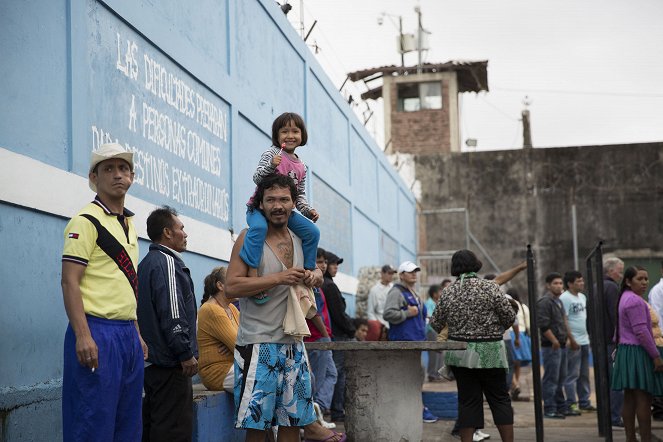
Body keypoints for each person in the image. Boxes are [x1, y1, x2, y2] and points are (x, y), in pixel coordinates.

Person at [225, 173, 325, 442]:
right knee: (257, 427)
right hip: (258, 345)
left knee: (293, 423)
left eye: (284, 199)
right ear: (260, 204)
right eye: (271, 200)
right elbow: (231, 287)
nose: (278, 205)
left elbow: (315, 271)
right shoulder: (248, 239)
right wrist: (279, 278)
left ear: (294, 204)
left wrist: (315, 275)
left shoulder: (301, 238)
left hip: (294, 344)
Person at [198, 266, 344, 442]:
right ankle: (309, 426)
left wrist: (236, 343)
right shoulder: (211, 309)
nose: (241, 282)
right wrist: (236, 343)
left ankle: (303, 427)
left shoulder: (232, 309)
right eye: (233, 279)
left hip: (235, 362)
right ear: (221, 285)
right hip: (217, 371)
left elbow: (241, 340)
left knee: (275, 382)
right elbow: (240, 343)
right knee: (272, 385)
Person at [61, 143, 147, 441]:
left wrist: (135, 331)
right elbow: (69, 282)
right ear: (93, 177)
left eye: (123, 168)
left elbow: (125, 283)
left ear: (132, 176)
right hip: (96, 330)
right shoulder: (85, 221)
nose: (117, 175)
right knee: (91, 423)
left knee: (128, 425)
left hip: (126, 334)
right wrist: (83, 334)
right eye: (108, 169)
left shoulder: (130, 224)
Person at [430, 250, 517, 442]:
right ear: (476, 264)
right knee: (500, 400)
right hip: (491, 353)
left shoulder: (449, 291)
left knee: (468, 402)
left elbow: (435, 323)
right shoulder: (490, 288)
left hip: (461, 354)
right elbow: (510, 317)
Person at [240, 112, 320, 303]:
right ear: (277, 135)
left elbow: (299, 195)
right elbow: (257, 178)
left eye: (295, 131)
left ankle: (307, 274)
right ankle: (253, 279)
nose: (290, 135)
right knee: (258, 229)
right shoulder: (272, 154)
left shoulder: (302, 166)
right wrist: (270, 166)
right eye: (284, 131)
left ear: (302, 136)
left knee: (312, 232)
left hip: (285, 213)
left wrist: (308, 211)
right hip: (259, 209)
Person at [137, 206, 198, 441]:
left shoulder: (147, 263)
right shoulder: (167, 263)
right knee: (173, 432)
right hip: (171, 366)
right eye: (181, 228)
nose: (185, 233)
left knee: (154, 429)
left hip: (153, 366)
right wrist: (184, 352)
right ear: (167, 233)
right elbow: (173, 313)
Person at [383, 261, 438, 424]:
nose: (414, 274)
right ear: (401, 275)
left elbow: (422, 319)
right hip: (403, 343)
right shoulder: (396, 292)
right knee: (407, 377)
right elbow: (388, 314)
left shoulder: (414, 292)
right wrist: (407, 312)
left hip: (416, 343)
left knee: (416, 376)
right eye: (410, 271)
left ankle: (415, 408)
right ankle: (416, 409)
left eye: (416, 271)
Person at [612, 266, 663, 442]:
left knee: (630, 397)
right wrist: (655, 356)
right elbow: (641, 331)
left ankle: (630, 438)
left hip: (626, 351)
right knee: (643, 398)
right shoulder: (635, 301)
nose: (644, 283)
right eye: (639, 279)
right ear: (628, 281)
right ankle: (646, 438)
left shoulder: (625, 298)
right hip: (637, 352)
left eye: (646, 279)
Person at [537, 272, 580, 419]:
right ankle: (549, 408)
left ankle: (560, 407)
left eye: (560, 283)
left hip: (561, 345)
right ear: (548, 285)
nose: (559, 286)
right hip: (551, 346)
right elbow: (543, 324)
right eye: (555, 283)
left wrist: (569, 339)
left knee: (561, 378)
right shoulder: (545, 302)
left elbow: (563, 321)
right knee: (551, 379)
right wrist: (554, 340)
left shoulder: (558, 301)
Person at [305, 248, 338, 427]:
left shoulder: (320, 284)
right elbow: (313, 312)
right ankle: (313, 422)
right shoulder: (311, 283)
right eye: (319, 261)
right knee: (316, 379)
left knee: (331, 374)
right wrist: (326, 337)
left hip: (321, 338)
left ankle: (318, 410)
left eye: (325, 262)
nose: (323, 265)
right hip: (316, 339)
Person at [322, 250, 356, 422]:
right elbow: (339, 315)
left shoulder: (325, 284)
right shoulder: (329, 286)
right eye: (333, 264)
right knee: (337, 373)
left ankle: (331, 409)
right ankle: (336, 410)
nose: (335, 267)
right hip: (338, 336)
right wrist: (352, 331)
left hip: (331, 335)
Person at [559, 270, 596, 414]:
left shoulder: (582, 297)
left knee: (584, 374)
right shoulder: (565, 298)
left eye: (582, 280)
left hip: (584, 340)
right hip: (573, 342)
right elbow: (564, 320)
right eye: (578, 281)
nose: (582, 283)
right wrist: (571, 339)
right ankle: (571, 403)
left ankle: (584, 401)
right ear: (569, 284)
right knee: (572, 374)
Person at [603, 256, 625, 428]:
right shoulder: (611, 287)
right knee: (616, 380)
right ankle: (615, 417)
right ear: (610, 271)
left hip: (600, 340)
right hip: (611, 340)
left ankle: (608, 416)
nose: (621, 274)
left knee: (606, 380)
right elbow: (615, 315)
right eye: (620, 270)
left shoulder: (598, 285)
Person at [648, 261, 663, 421]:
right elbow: (657, 317)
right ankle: (659, 410)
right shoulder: (658, 290)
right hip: (661, 339)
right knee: (659, 376)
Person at [367, 264, 396, 329]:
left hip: (394, 326)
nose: (391, 276)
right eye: (389, 273)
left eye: (392, 274)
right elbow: (370, 312)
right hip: (381, 326)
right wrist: (378, 327)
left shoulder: (394, 289)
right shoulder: (374, 290)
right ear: (382, 273)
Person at [425, 284, 443, 382]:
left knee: (439, 353)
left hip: (438, 330)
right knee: (433, 353)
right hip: (432, 330)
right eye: (439, 291)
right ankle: (432, 374)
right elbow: (429, 316)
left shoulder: (438, 303)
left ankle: (437, 373)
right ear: (434, 294)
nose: (441, 293)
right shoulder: (429, 303)